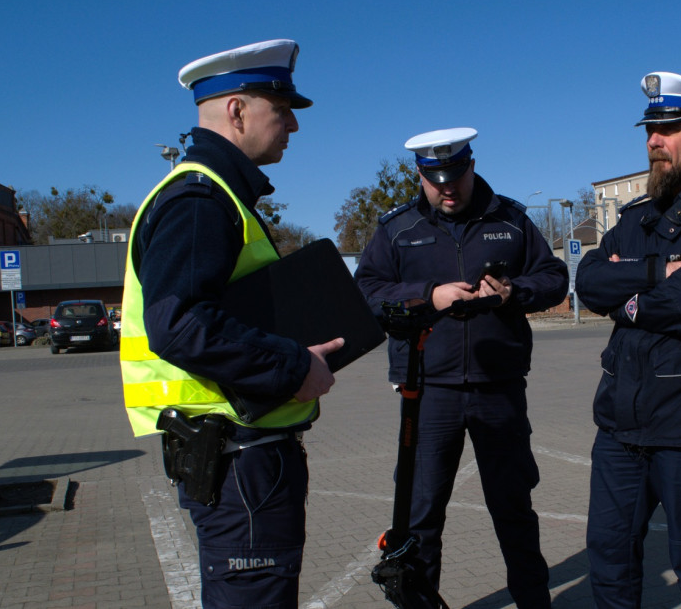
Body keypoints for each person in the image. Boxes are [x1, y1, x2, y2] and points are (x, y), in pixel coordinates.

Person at [119, 39, 345, 608]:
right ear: (237, 110)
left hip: (242, 454)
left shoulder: (216, 195)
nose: (293, 124)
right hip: (237, 459)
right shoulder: (199, 199)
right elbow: (181, 323)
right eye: (281, 107)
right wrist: (296, 366)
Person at [355, 127, 568, 608]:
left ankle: (535, 603)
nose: (448, 187)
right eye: (436, 179)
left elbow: (553, 276)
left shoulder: (511, 219)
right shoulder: (398, 228)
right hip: (428, 393)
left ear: (472, 165)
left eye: (457, 175)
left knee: (514, 509)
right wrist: (427, 296)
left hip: (499, 389)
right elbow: (365, 291)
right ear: (419, 174)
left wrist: (514, 291)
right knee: (422, 516)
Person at [574, 72, 681, 608]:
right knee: (609, 557)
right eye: (650, 130)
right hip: (620, 427)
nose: (654, 142)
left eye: (669, 129)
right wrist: (654, 274)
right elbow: (589, 281)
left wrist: (627, 298)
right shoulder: (635, 218)